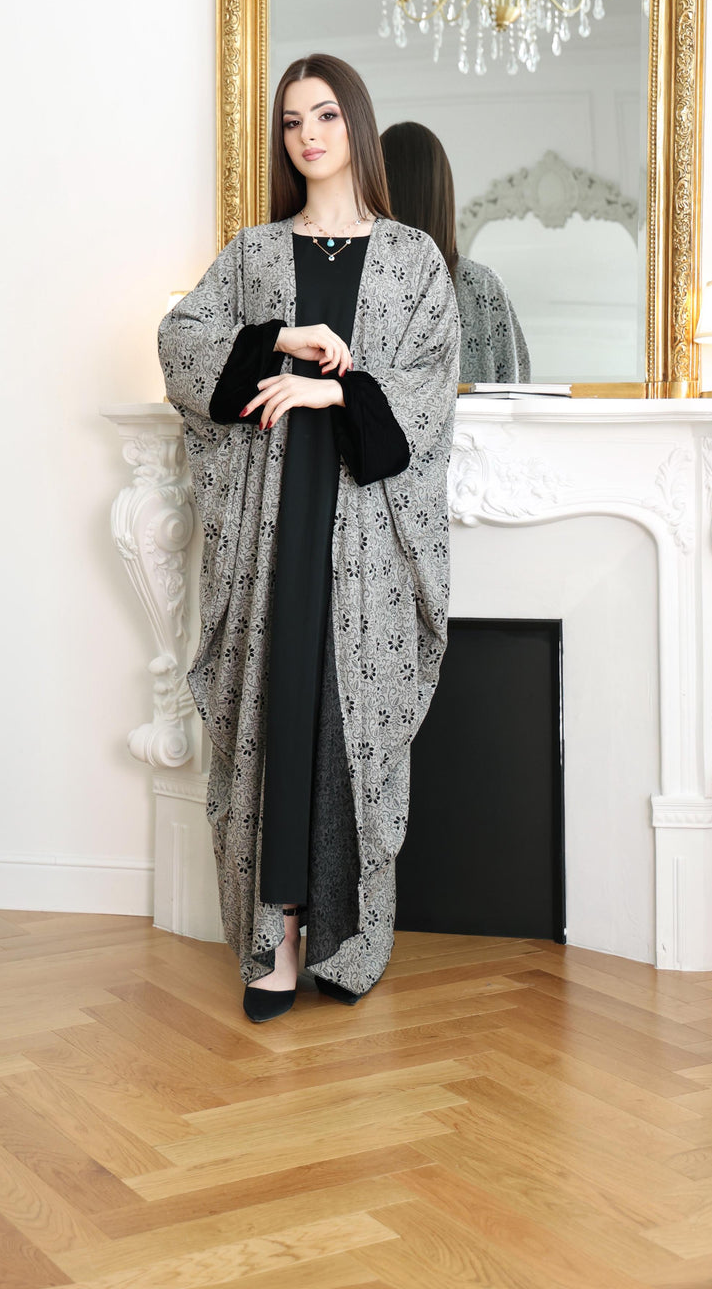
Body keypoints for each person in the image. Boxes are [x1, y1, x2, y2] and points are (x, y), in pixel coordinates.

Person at [158, 54, 459, 1023]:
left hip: (364, 538)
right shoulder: (252, 254)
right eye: (292, 122)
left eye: (325, 115)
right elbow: (181, 342)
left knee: (349, 723)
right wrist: (279, 338)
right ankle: (274, 939)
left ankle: (347, 935)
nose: (308, 134)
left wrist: (337, 387)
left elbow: (427, 395)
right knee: (274, 720)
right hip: (271, 534)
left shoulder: (412, 258)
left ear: (355, 126)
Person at [380, 121, 531, 385]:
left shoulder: (360, 282)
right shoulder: (483, 285)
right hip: (476, 428)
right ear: (443, 192)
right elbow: (517, 385)